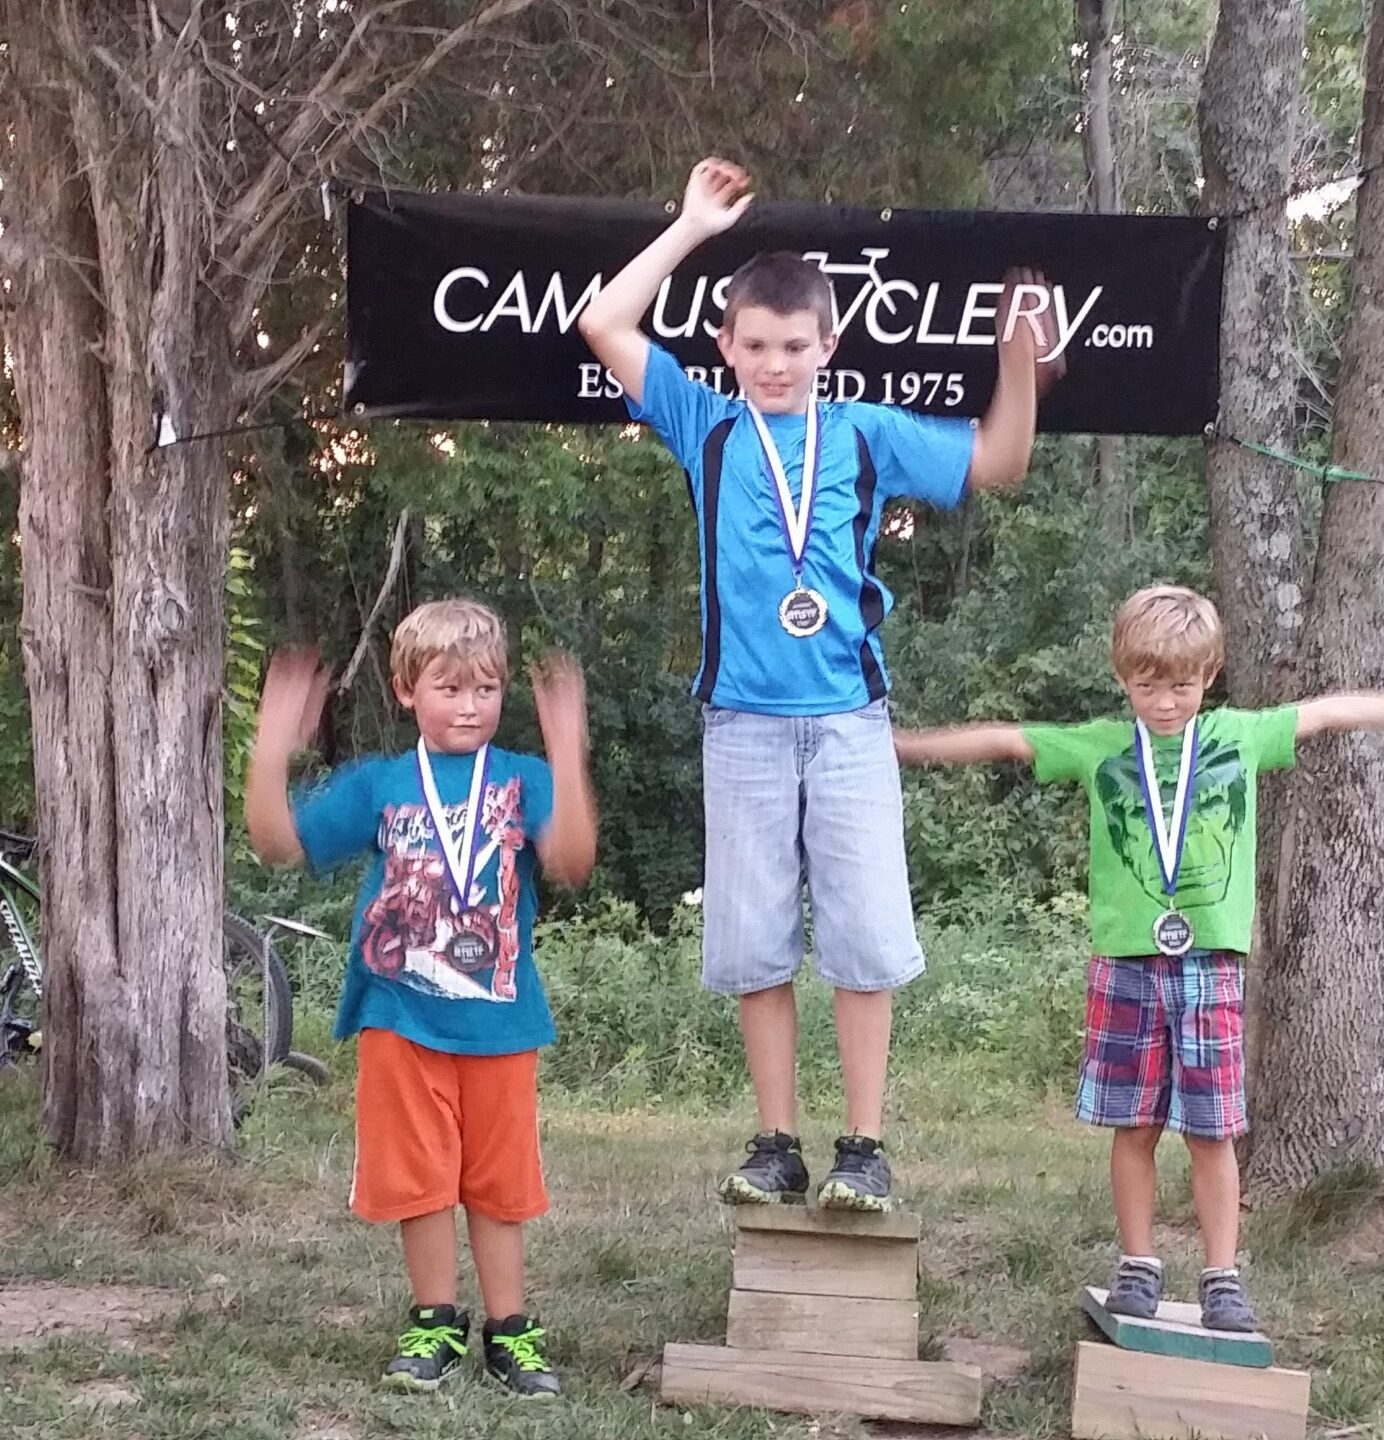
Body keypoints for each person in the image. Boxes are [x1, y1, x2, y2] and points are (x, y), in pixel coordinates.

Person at [576, 156, 1056, 1211]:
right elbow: (603, 321)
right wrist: (691, 226)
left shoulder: (865, 433)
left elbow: (1003, 460)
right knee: (753, 946)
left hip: (845, 722)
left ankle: (864, 1148)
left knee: (864, 937)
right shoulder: (704, 424)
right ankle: (775, 1143)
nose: (775, 364)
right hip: (741, 723)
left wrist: (1015, 364)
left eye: (795, 347)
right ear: (726, 347)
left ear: (828, 346)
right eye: (755, 346)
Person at [892, 584, 1384, 1332]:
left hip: (1212, 967)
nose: (1165, 703)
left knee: (1211, 1129)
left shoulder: (1241, 735)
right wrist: (902, 746)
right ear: (1121, 676)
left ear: (1210, 675)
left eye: (1181, 685)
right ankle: (1137, 1263)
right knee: (1132, 1125)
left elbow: (1330, 712)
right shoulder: (1103, 744)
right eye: (1147, 685)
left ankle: (1222, 1277)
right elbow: (1009, 739)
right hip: (1127, 965)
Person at [244, 600, 595, 1397]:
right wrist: (271, 751)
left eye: (487, 689)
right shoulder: (381, 784)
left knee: (500, 1184)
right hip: (398, 1018)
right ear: (408, 690)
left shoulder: (523, 779)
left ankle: (512, 1332)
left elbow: (571, 860)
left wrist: (567, 752)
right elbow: (278, 844)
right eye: (449, 687)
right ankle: (435, 1321)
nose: (470, 705)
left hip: (500, 1021)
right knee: (421, 1178)